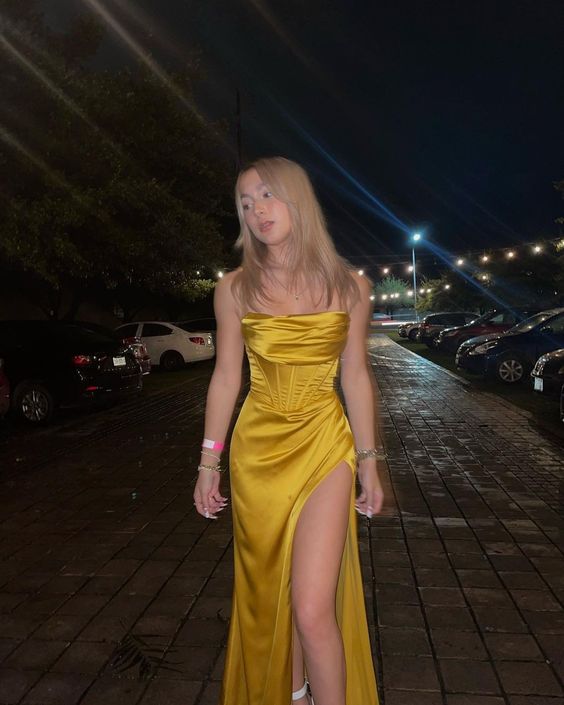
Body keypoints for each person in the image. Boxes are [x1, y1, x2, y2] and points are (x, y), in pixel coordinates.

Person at [193, 156, 384, 705]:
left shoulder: (351, 286)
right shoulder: (233, 289)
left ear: (298, 198)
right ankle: (293, 694)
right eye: (245, 203)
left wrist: (369, 461)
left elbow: (356, 376)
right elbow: (226, 378)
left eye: (267, 195)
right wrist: (208, 462)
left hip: (325, 444)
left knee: (311, 607)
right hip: (257, 453)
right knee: (270, 594)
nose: (257, 210)